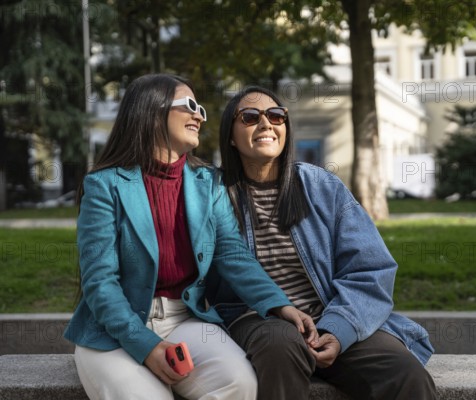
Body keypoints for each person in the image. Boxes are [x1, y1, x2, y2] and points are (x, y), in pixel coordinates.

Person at [63, 74, 316, 400]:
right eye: (190, 106)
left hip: (185, 320)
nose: (200, 115)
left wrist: (279, 304)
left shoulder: (206, 182)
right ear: (152, 111)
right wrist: (147, 346)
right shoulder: (105, 185)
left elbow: (232, 255)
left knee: (239, 384)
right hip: (111, 330)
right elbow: (100, 283)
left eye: (201, 109)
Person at [206, 86, 438, 400]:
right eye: (249, 117)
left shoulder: (320, 185)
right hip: (258, 320)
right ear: (231, 136)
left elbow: (370, 268)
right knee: (280, 344)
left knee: (405, 374)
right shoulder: (212, 195)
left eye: (276, 116)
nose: (266, 124)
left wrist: (337, 330)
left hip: (332, 315)